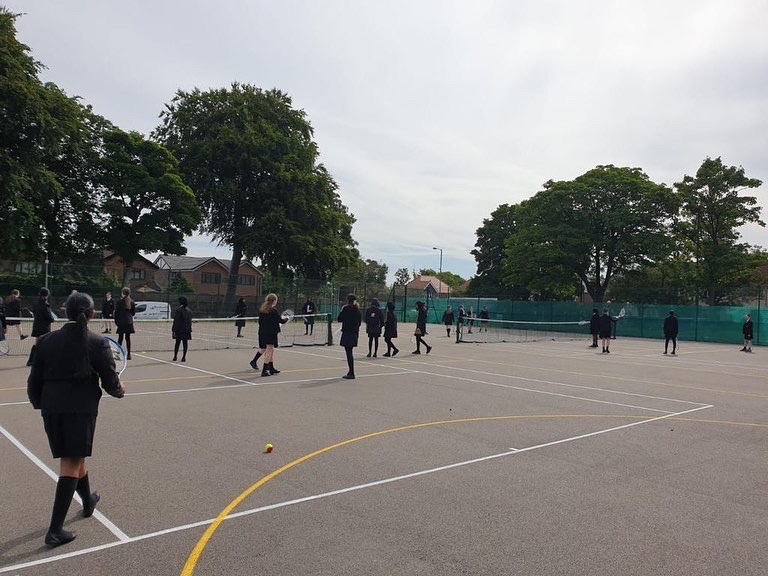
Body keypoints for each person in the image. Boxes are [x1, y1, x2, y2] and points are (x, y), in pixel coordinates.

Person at [27, 292, 125, 548]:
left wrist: (41, 404)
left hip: (51, 408)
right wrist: (119, 390)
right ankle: (55, 530)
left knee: (76, 457)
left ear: (66, 312)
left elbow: (33, 382)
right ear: (91, 314)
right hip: (79, 409)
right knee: (71, 462)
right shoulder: (97, 342)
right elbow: (111, 382)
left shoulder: (46, 341)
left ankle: (88, 501)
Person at [251, 293, 288, 376]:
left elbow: (260, 322)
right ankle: (264, 370)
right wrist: (286, 318)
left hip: (262, 332)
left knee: (270, 350)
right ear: (274, 301)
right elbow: (281, 321)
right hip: (270, 333)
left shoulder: (262, 310)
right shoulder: (273, 310)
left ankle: (271, 368)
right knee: (269, 351)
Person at [28, 287, 57, 366]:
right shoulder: (45, 304)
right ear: (47, 295)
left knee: (37, 343)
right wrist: (52, 319)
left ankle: (31, 360)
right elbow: (48, 315)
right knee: (46, 342)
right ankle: (45, 360)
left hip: (36, 325)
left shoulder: (36, 303)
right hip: (44, 327)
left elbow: (34, 312)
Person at [337, 294, 362, 379]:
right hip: (354, 333)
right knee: (350, 352)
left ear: (348, 300)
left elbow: (339, 319)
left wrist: (342, 311)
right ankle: (350, 371)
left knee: (349, 353)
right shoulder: (358, 310)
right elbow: (359, 323)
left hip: (347, 333)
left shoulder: (346, 309)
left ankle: (351, 372)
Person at [114, 287, 136, 360]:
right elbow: (133, 313)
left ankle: (118, 354)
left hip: (121, 322)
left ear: (123, 293)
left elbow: (116, 313)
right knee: (128, 338)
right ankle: (129, 354)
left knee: (120, 338)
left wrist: (116, 321)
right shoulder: (132, 302)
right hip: (129, 322)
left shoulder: (119, 302)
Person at [172, 296, 193, 362]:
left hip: (180, 330)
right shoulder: (189, 311)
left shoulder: (179, 310)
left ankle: (175, 356)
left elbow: (176, 321)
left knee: (177, 343)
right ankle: (184, 357)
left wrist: (173, 330)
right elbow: (190, 321)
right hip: (187, 330)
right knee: (185, 343)